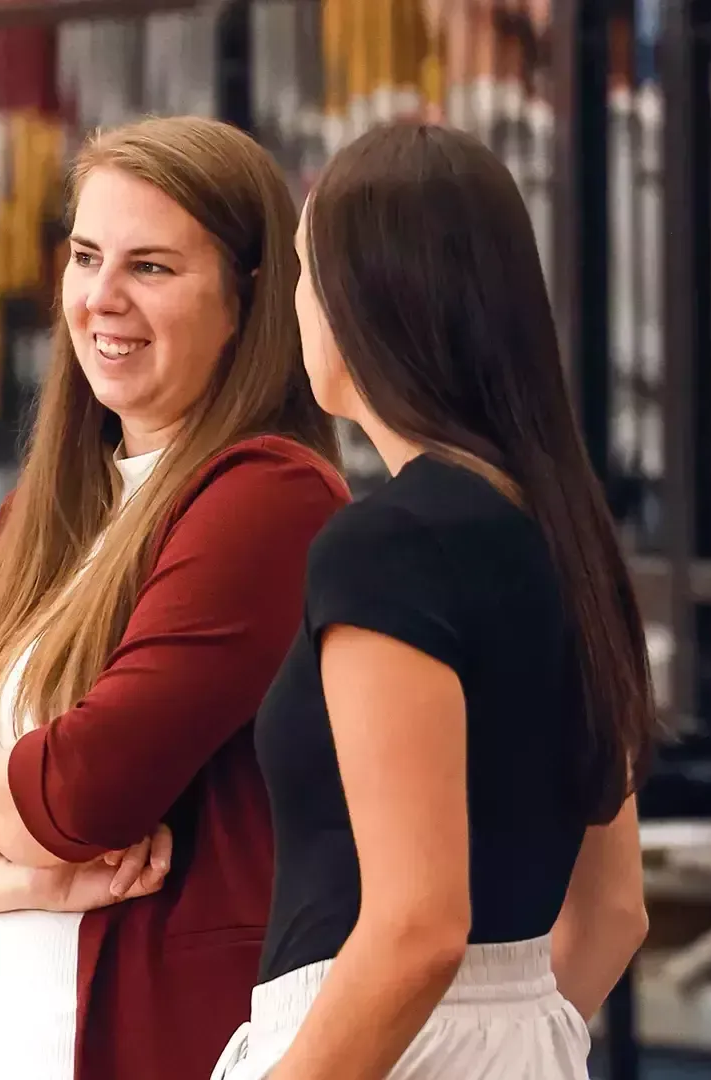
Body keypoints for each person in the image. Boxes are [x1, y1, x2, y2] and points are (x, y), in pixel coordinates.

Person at [0, 115, 350, 1080]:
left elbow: (83, 795)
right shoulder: (48, 509)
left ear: (248, 299)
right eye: (84, 256)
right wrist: (26, 877)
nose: (101, 299)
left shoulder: (269, 496)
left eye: (151, 267)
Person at [209, 120, 655, 1080]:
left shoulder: (388, 546)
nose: (295, 307)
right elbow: (615, 912)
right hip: (525, 1035)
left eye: (301, 273)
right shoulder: (571, 536)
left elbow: (416, 925)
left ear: (366, 299)